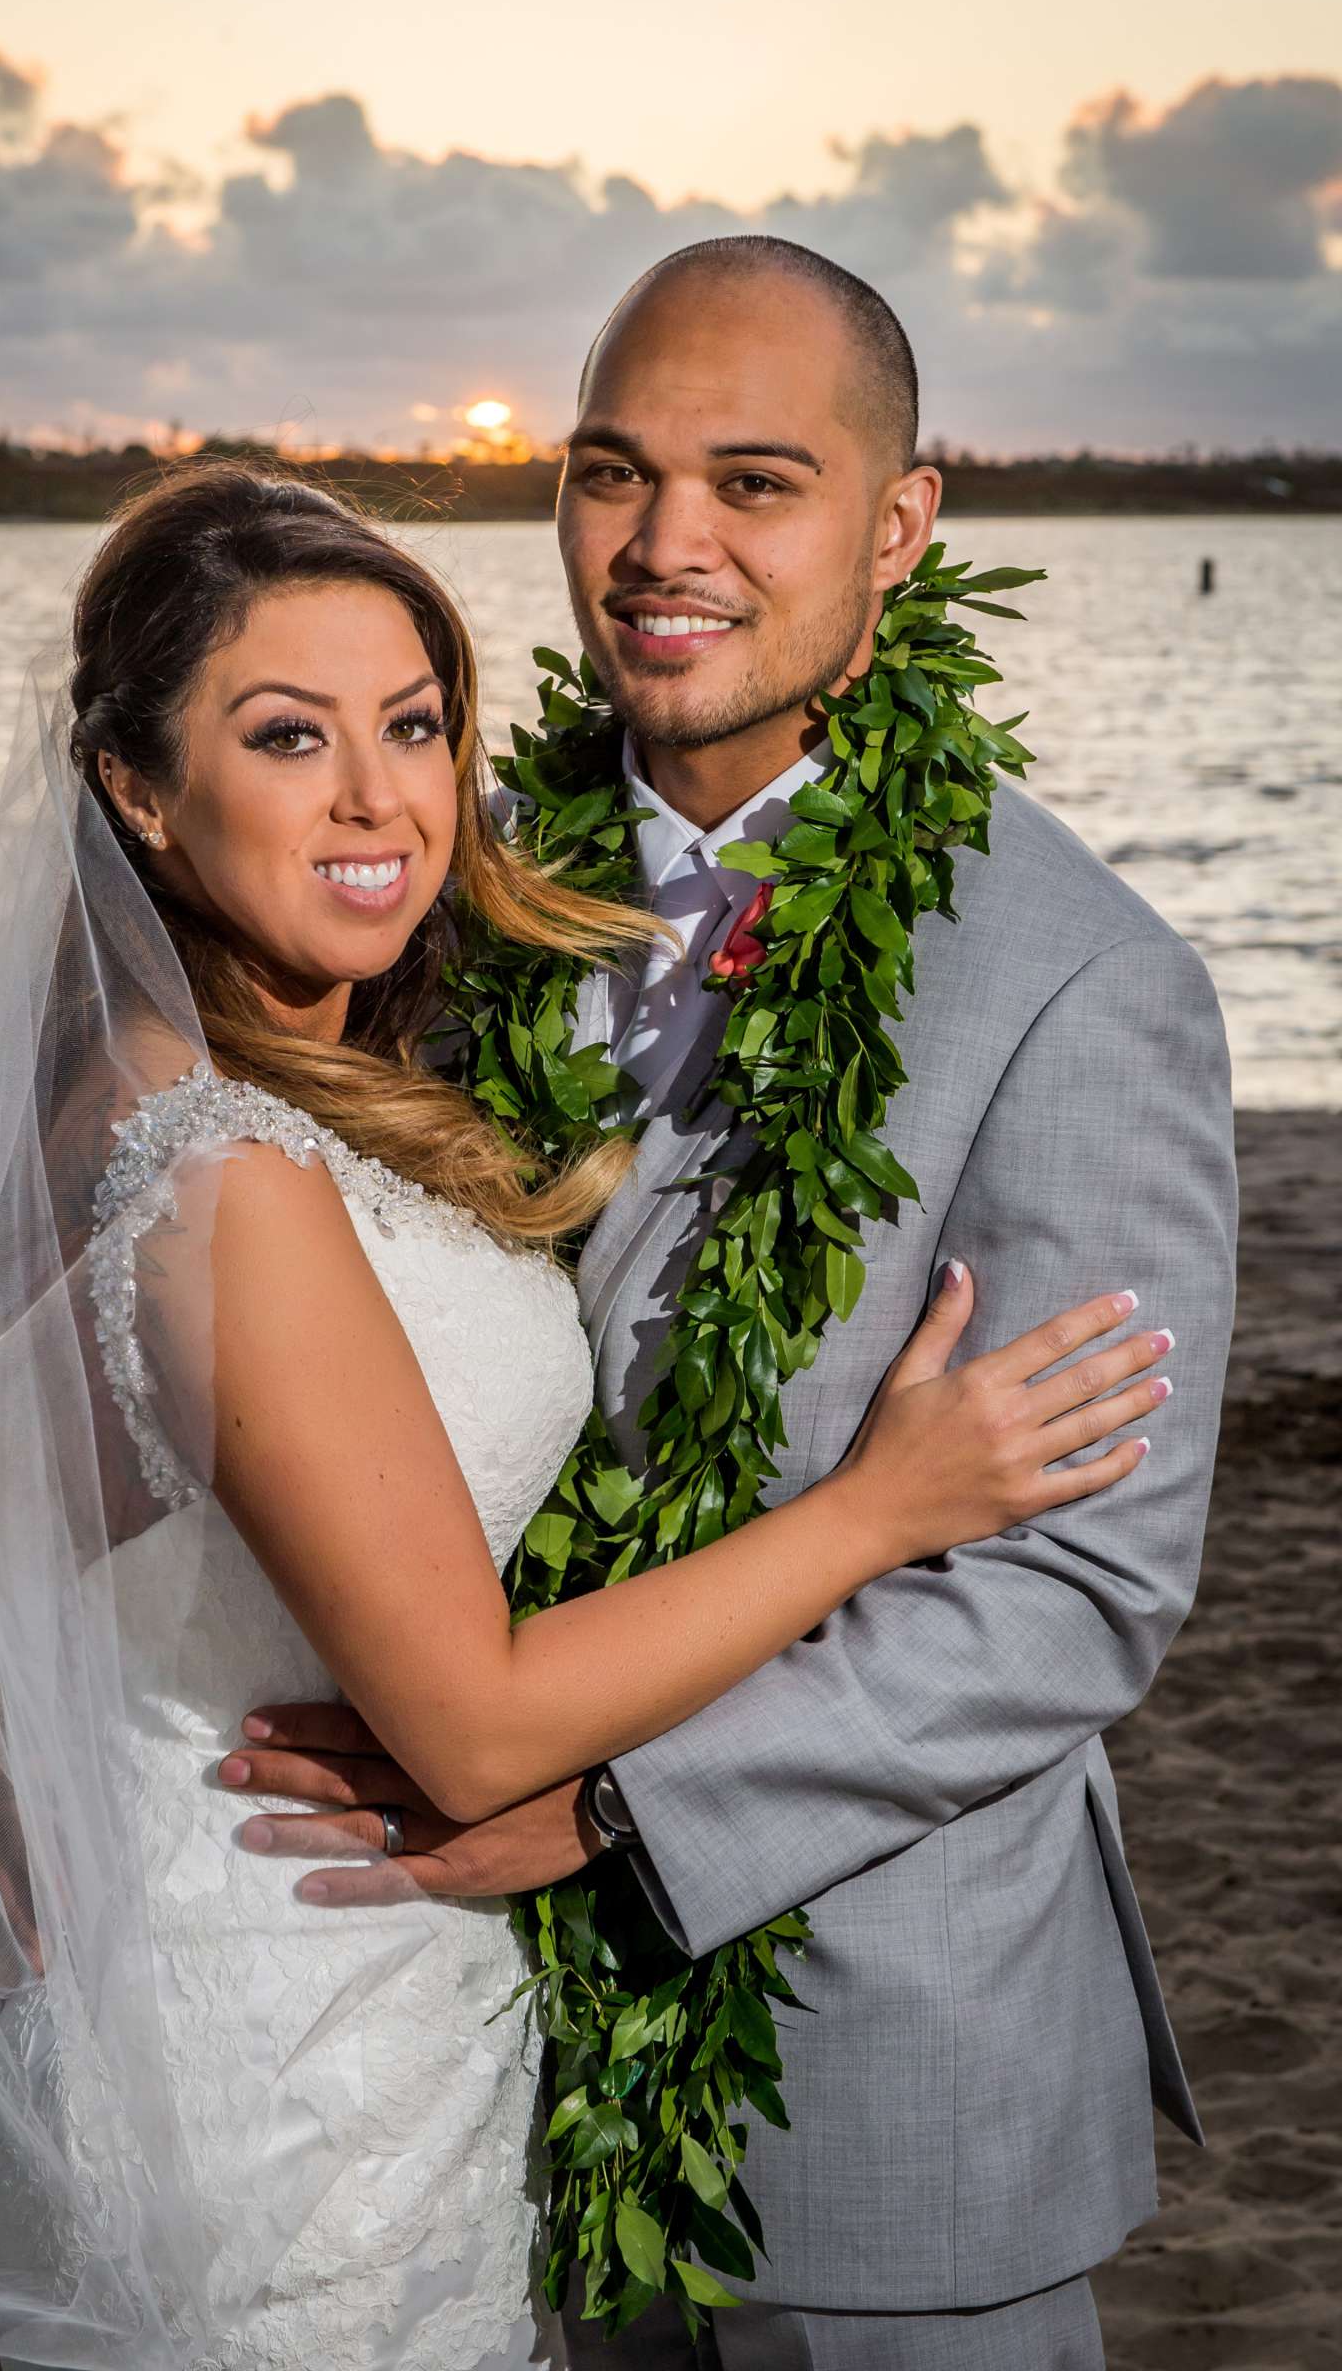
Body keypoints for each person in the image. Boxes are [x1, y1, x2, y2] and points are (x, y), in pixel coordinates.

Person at [0, 459, 1172, 2371]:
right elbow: (468, 1717)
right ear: (137, 789)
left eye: (417, 726)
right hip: (294, 2007)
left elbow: (52, 1509)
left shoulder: (173, 1096)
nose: (382, 798)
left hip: (266, 1955)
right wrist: (880, 1506)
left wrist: (39, 1743)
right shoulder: (220, 1176)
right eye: (288, 736)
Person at [226, 239, 1239, 2371]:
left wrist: (599, 1811)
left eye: (752, 484)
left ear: (896, 529)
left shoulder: (1076, 979)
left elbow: (1077, 1584)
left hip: (880, 2084)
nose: (662, 546)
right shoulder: (444, 884)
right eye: (612, 473)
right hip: (469, 2072)